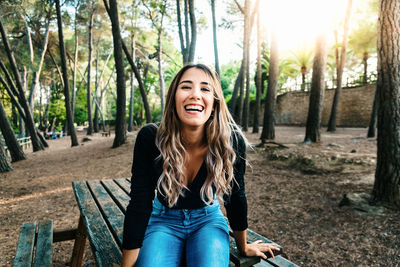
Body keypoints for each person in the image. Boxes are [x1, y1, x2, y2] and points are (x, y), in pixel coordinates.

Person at [122, 63, 279, 267]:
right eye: (186, 86)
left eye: (205, 88)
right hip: (162, 221)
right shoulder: (151, 138)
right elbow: (139, 203)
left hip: (207, 221)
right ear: (173, 98)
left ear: (214, 102)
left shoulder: (231, 141)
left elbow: (236, 197)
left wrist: (243, 246)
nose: (195, 94)